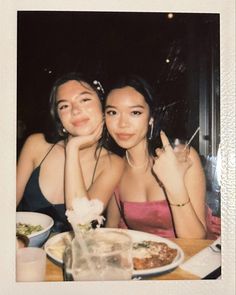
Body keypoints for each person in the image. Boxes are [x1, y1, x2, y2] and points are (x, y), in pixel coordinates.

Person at [17, 72, 124, 232]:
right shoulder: (37, 144)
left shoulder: (112, 163)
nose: (75, 110)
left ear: (103, 105)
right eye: (64, 106)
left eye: (85, 99)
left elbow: (83, 225)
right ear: (59, 118)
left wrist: (72, 149)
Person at [104, 74, 207, 239]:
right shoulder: (115, 167)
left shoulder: (181, 156)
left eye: (135, 113)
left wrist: (174, 185)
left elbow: (195, 240)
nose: (122, 123)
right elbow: (111, 230)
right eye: (112, 112)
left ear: (151, 117)